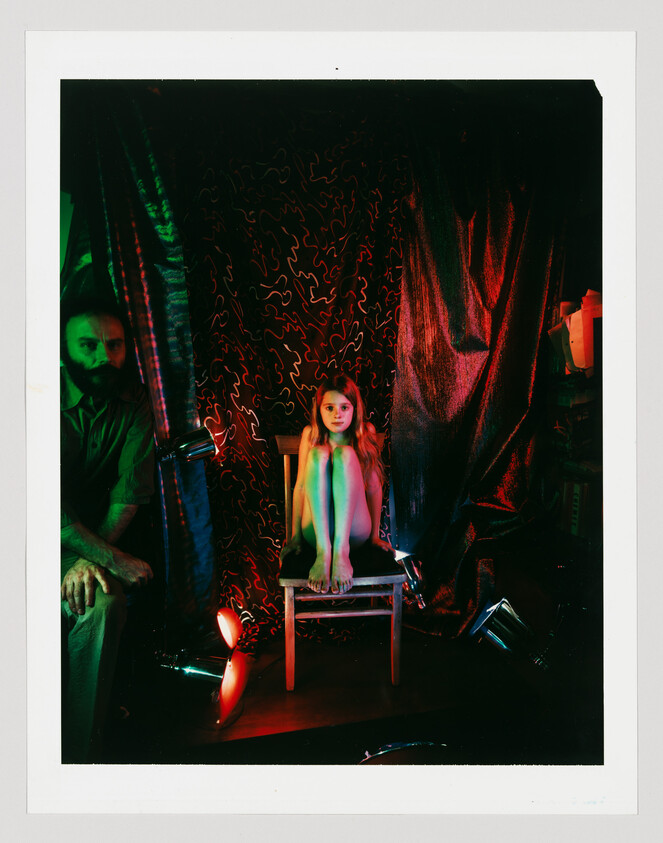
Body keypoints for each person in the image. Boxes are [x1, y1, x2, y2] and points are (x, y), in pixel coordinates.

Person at [60, 296, 155, 763]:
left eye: (114, 345)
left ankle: (80, 756)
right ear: (65, 349)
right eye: (89, 345)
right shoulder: (31, 390)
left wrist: (89, 557)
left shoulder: (135, 398)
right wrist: (111, 559)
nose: (104, 356)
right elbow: (39, 501)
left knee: (103, 603)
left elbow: (129, 493)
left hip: (88, 542)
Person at [279, 373, 396, 595]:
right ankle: (324, 552)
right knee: (318, 454)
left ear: (355, 409)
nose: (337, 415)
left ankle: (341, 552)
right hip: (316, 530)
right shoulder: (311, 435)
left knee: (344, 454)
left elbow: (372, 487)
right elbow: (301, 487)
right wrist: (295, 536)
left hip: (354, 531)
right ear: (319, 409)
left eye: (344, 407)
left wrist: (374, 537)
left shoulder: (364, 433)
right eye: (329, 408)